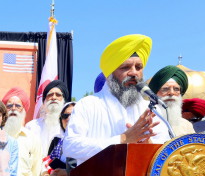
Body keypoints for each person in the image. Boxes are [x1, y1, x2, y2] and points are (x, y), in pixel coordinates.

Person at [63, 34, 169, 166]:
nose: (133, 73)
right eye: (125, 67)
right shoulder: (88, 104)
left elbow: (165, 155)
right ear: (110, 74)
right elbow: (70, 147)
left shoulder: (152, 109)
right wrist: (123, 138)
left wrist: (148, 145)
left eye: (138, 67)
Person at [2, 87, 43, 176]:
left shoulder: (32, 137)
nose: (13, 108)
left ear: (24, 110)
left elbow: (37, 171)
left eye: (18, 106)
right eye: (9, 105)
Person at [147, 65, 193, 137]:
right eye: (165, 89)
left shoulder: (187, 125)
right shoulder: (146, 122)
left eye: (176, 89)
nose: (171, 93)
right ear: (155, 93)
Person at [25, 80, 69, 153]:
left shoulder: (69, 126)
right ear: (44, 100)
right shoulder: (31, 126)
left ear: (64, 100)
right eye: (50, 95)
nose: (53, 97)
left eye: (58, 95)